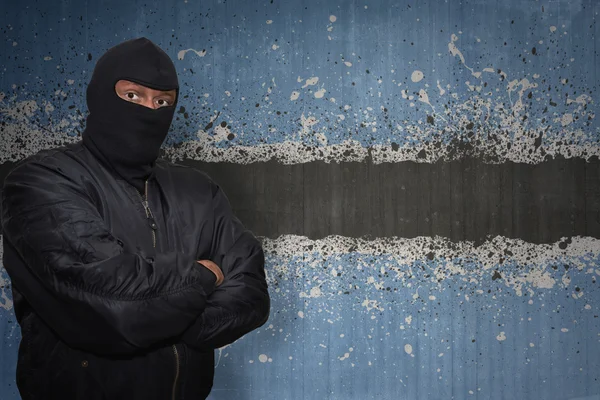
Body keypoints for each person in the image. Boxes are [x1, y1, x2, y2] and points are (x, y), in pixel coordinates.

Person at [1, 37, 270, 399]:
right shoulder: (41, 181)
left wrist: (173, 318)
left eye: (162, 102)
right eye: (132, 96)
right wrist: (204, 276)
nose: (149, 109)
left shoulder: (198, 191)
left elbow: (250, 293)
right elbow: (113, 304)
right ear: (99, 96)